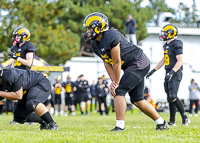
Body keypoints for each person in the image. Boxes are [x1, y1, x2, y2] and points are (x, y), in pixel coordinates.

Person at [82, 12, 169, 131]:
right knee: (137, 100)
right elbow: (107, 62)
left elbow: (116, 61)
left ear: (99, 27)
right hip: (130, 66)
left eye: (89, 28)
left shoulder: (111, 35)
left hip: (139, 62)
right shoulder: (94, 44)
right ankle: (161, 123)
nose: (87, 31)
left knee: (120, 90)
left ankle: (120, 126)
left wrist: (116, 83)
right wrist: (113, 81)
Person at [146, 24, 190, 126]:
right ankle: (172, 121)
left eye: (165, 32)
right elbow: (164, 59)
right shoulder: (166, 45)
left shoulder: (176, 43)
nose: (164, 34)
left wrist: (172, 72)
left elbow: (180, 60)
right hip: (168, 71)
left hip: (175, 72)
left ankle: (185, 117)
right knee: (169, 97)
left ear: (171, 33)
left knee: (173, 96)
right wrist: (154, 70)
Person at [8, 26, 37, 125]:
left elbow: (29, 63)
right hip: (16, 74)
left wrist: (17, 58)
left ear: (24, 36)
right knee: (16, 98)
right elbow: (13, 63)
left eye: (18, 35)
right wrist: (10, 72)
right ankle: (16, 119)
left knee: (28, 98)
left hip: (25, 74)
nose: (16, 37)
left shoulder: (29, 46)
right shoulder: (14, 47)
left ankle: (32, 119)